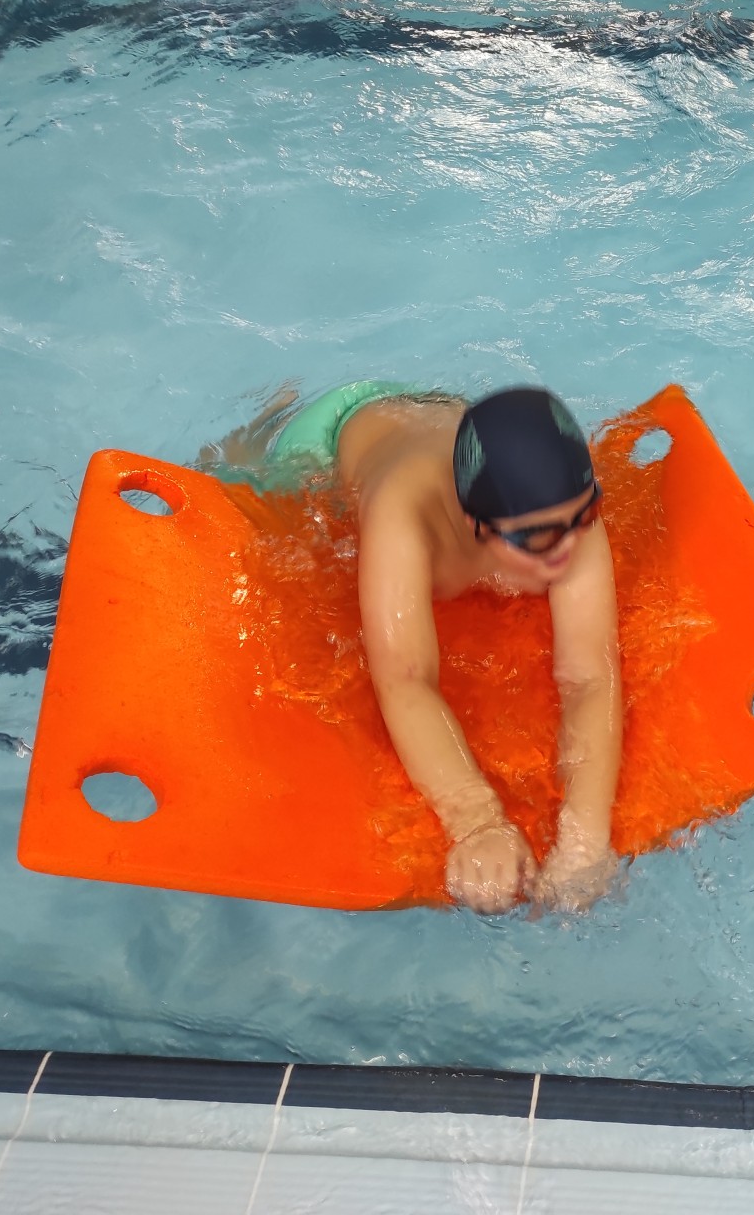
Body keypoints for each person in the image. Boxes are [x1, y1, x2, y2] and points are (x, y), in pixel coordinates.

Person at [259, 382, 623, 914]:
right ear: (474, 525)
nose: (569, 550)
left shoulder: (561, 507)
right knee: (257, 503)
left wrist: (585, 838)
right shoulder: (404, 517)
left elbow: (590, 674)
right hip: (333, 434)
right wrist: (478, 821)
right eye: (539, 538)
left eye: (583, 519)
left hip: (444, 417)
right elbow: (406, 681)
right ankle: (271, 412)